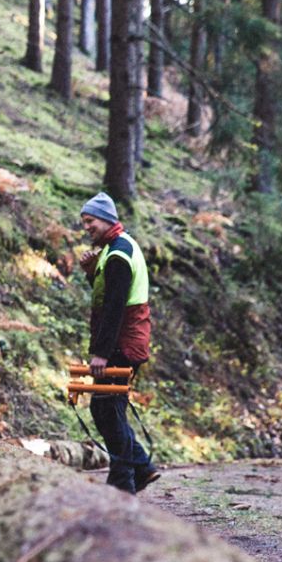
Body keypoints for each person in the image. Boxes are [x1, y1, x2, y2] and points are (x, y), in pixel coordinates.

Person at [78, 192, 160, 493]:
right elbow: (107, 295)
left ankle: (124, 481)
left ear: (107, 220)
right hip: (124, 342)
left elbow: (114, 309)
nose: (87, 227)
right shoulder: (116, 248)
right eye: (85, 222)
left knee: (106, 409)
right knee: (107, 409)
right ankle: (139, 469)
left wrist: (101, 353)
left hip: (122, 344)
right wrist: (90, 273)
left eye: (91, 221)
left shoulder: (117, 255)